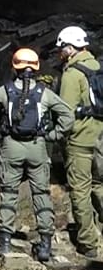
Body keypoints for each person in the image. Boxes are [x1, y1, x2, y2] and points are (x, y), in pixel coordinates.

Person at [0, 47, 74, 262]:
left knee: (9, 192)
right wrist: (53, 134)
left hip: (11, 145)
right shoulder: (44, 93)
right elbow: (67, 115)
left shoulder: (5, 91)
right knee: (41, 194)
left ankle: (4, 242)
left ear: (15, 66)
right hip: (37, 146)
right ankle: (46, 244)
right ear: (36, 68)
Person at [55, 25, 103, 258]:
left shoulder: (72, 74)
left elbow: (65, 113)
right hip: (100, 137)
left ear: (71, 48)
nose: (60, 52)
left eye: (62, 48)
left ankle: (88, 243)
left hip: (80, 141)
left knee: (80, 190)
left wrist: (57, 137)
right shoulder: (97, 66)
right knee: (99, 185)